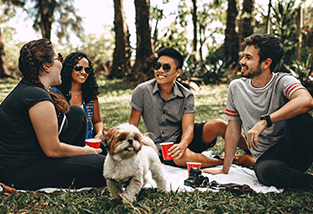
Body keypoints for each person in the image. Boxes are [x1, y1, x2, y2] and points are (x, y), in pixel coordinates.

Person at [204, 34, 313, 188]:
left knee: (303, 119)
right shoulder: (236, 87)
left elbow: (307, 100)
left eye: (248, 57)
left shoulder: (283, 81)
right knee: (266, 172)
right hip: (267, 158)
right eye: (243, 56)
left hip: (294, 149)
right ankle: (306, 181)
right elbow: (233, 130)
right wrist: (224, 169)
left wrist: (266, 120)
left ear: (266, 63)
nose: (242, 61)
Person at [0, 39, 106, 190]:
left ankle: (84, 160)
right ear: (46, 65)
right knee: (105, 166)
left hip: (38, 156)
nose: (61, 64)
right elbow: (52, 150)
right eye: (59, 58)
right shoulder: (36, 97)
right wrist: (85, 151)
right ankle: (86, 160)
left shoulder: (32, 89)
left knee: (76, 113)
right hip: (21, 171)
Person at [129, 47, 254, 168]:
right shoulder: (142, 91)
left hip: (185, 138)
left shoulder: (186, 95)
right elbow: (132, 125)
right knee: (180, 157)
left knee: (219, 124)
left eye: (166, 67)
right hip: (164, 148)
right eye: (157, 66)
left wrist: (183, 144)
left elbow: (188, 127)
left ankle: (254, 152)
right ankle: (226, 161)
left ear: (178, 72)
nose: (160, 70)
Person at [50, 52, 107, 140]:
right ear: (69, 69)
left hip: (88, 143)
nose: (83, 72)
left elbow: (97, 121)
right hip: (66, 144)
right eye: (78, 68)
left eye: (87, 70)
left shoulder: (90, 94)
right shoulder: (56, 93)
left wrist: (99, 134)